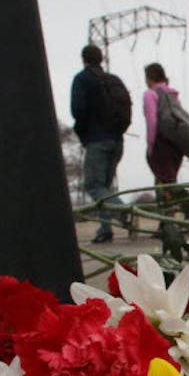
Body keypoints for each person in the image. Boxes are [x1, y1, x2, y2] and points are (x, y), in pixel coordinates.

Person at [71, 44, 125, 244]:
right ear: (101, 59)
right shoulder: (112, 80)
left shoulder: (82, 79)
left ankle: (124, 213)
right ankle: (105, 229)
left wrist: (82, 132)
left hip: (97, 140)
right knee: (104, 188)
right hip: (117, 140)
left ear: (84, 59)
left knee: (94, 186)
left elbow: (78, 109)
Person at [142, 62, 189, 191]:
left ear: (148, 78)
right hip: (176, 147)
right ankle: (170, 209)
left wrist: (150, 147)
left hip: (161, 144)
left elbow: (152, 121)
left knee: (168, 186)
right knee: (167, 182)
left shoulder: (150, 94)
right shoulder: (172, 95)